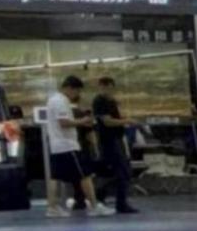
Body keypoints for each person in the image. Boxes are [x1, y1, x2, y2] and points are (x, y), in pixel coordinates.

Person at [43, 76, 113, 218]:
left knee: (55, 177)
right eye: (77, 91)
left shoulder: (53, 99)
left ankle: (52, 207)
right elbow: (64, 123)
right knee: (85, 175)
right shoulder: (60, 101)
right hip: (67, 145)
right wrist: (82, 121)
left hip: (57, 145)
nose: (77, 95)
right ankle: (94, 206)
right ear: (70, 88)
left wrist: (79, 122)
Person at [90, 75, 141, 214]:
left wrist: (124, 118)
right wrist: (126, 121)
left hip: (117, 138)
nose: (108, 90)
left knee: (119, 172)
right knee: (121, 171)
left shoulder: (111, 101)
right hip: (109, 140)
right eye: (105, 87)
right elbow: (107, 121)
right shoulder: (99, 101)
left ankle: (102, 195)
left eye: (110, 88)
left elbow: (115, 117)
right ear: (101, 87)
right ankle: (118, 202)